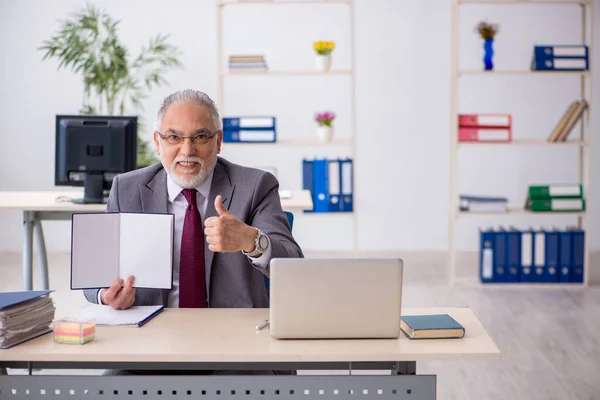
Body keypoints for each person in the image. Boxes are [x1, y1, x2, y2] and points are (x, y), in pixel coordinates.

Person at [83, 89, 303, 310]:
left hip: (232, 333)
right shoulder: (126, 189)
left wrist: (252, 240)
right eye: (174, 137)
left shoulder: (255, 186)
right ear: (158, 143)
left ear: (218, 142)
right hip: (152, 331)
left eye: (200, 137)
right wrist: (106, 294)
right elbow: (92, 275)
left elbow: (294, 267)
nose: (187, 150)